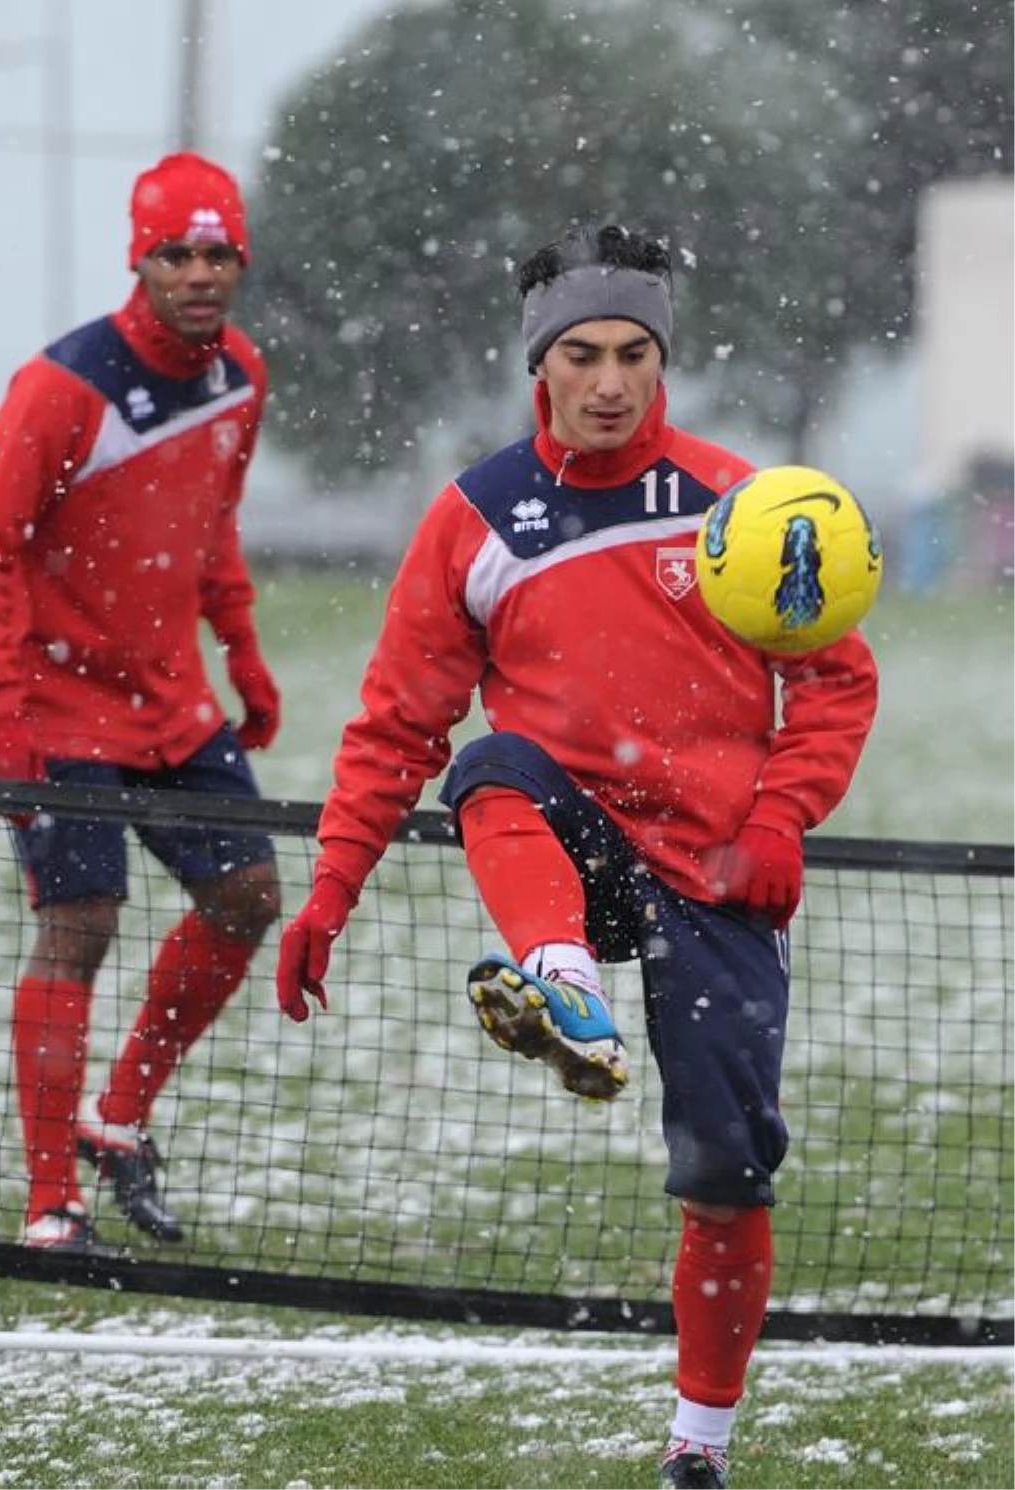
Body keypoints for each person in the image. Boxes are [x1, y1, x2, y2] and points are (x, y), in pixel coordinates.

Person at [275, 222, 878, 1487]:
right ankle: (566, 984)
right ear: (538, 365)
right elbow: (398, 722)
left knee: (724, 1177)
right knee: (490, 766)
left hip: (721, 877)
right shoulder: (477, 520)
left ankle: (698, 1448)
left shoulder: (742, 506)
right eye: (584, 355)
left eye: (636, 355)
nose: (611, 381)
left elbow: (834, 683)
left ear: (664, 362)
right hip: (575, 844)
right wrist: (331, 889)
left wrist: (777, 820)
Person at [0, 152, 282, 1256]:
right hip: (54, 709)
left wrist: (242, 650)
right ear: (138, 259)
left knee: (249, 893)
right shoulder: (63, 385)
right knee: (76, 928)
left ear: (239, 259)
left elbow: (212, 528)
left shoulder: (242, 376)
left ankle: (118, 1118)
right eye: (176, 252)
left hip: (172, 705)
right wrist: (1, 709)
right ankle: (52, 1205)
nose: (198, 271)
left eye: (217, 251)